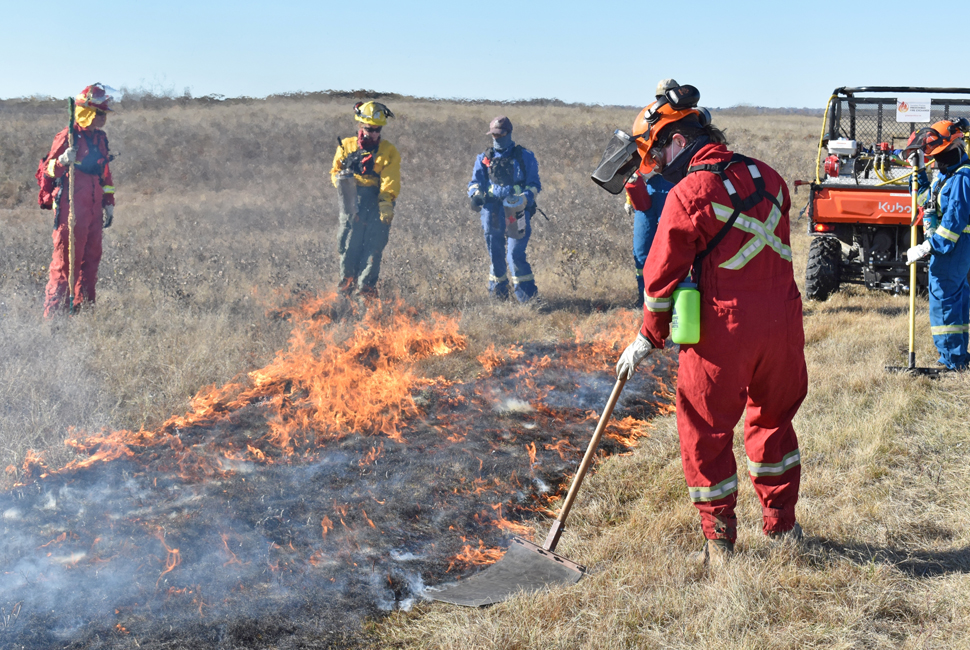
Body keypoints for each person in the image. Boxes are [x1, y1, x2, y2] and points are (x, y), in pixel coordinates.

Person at [613, 82, 808, 567]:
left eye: (656, 154)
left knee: (705, 431)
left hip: (725, 332)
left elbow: (659, 279)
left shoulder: (689, 192)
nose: (656, 165)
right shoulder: (771, 177)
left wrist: (648, 337)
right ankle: (782, 527)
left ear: (677, 140)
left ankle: (719, 543)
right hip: (784, 327)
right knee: (774, 426)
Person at [40, 83, 116, 317]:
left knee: (91, 261)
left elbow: (105, 174)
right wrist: (62, 161)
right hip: (69, 206)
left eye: (104, 114)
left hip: (93, 207)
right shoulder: (68, 136)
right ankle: (54, 319)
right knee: (65, 264)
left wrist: (109, 202)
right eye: (99, 113)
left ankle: (84, 313)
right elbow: (47, 171)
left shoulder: (100, 139)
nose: (103, 118)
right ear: (87, 112)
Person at [904, 119, 970, 371]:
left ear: (956, 146)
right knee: (956, 298)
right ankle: (959, 355)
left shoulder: (963, 177)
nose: (938, 160)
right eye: (934, 156)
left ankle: (951, 360)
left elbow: (953, 222)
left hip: (953, 247)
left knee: (944, 299)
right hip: (950, 248)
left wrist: (928, 247)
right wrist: (918, 171)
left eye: (941, 154)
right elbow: (925, 198)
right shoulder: (946, 174)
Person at [330, 101, 401, 299]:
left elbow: (390, 179)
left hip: (378, 203)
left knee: (373, 250)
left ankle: (366, 297)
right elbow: (334, 172)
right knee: (348, 248)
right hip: (352, 202)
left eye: (377, 130)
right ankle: (344, 296)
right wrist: (343, 181)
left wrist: (386, 203)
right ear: (360, 126)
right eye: (369, 129)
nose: (374, 134)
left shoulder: (388, 151)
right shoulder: (346, 146)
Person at [467, 116, 542, 302]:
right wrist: (475, 195)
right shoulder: (485, 158)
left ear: (509, 133)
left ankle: (527, 298)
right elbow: (475, 182)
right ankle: (498, 296)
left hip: (517, 211)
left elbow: (534, 184)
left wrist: (525, 198)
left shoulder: (524, 156)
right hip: (491, 211)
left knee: (515, 253)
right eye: (493, 134)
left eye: (500, 134)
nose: (497, 138)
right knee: (496, 253)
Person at [624, 170, 672, 307]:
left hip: (670, 185)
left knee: (670, 248)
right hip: (643, 190)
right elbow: (632, 166)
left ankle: (672, 297)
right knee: (641, 251)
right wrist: (629, 197)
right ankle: (644, 298)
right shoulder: (636, 147)